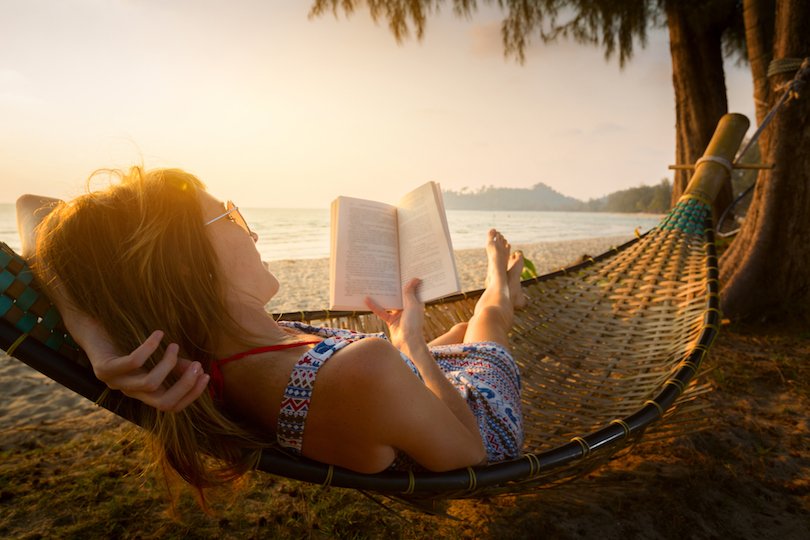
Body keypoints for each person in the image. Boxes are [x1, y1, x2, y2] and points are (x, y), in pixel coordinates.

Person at [17, 167, 525, 497]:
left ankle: (497, 296)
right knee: (484, 321)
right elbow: (470, 454)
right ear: (189, 260)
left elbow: (29, 208)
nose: (253, 231)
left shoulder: (213, 352)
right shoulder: (365, 367)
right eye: (231, 216)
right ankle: (501, 289)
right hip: (476, 422)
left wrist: (91, 334)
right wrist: (411, 343)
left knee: (457, 329)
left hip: (405, 398)